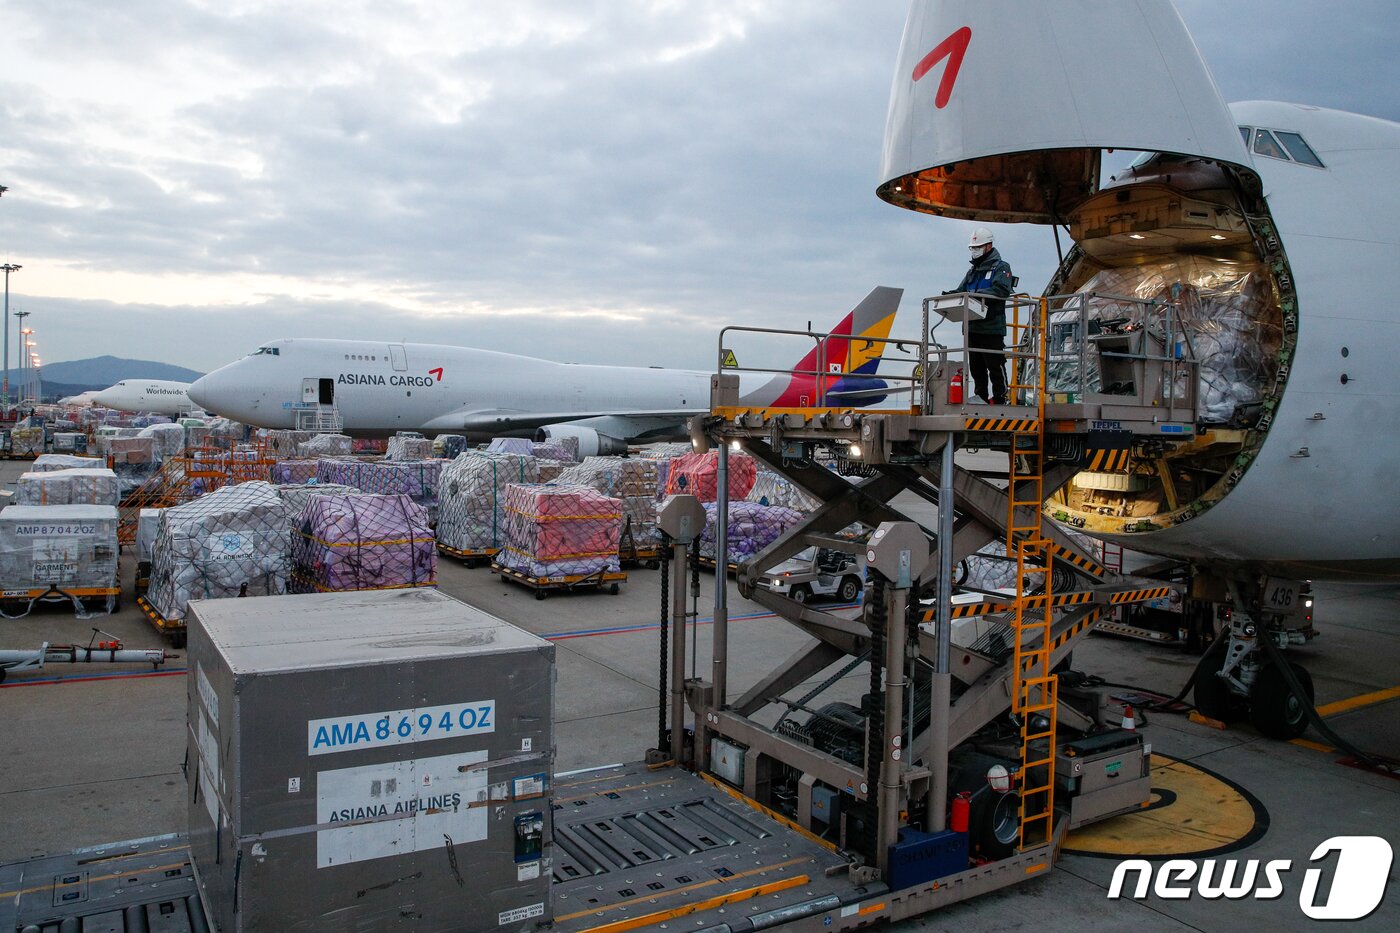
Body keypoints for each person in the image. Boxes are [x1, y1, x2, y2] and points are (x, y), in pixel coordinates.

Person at [950, 227, 1014, 404]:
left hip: (991, 327)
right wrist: (951, 295)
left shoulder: (1000, 267)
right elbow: (962, 290)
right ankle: (981, 397)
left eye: (977, 247)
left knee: (995, 364)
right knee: (976, 366)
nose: (974, 250)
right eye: (972, 247)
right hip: (972, 326)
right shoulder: (973, 271)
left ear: (989, 246)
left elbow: (1001, 289)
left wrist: (976, 295)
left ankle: (1001, 397)